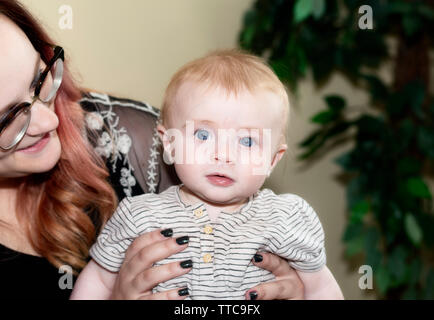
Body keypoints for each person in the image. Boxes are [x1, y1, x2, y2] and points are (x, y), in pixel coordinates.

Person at [0, 0, 305, 300]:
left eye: (40, 79)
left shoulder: (127, 137)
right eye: (6, 117)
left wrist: (298, 288)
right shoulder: (136, 217)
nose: (49, 119)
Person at [71, 50, 344, 300]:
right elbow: (98, 281)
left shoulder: (284, 218)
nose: (224, 155)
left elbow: (320, 287)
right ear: (170, 143)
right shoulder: (138, 215)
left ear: (273, 159)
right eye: (203, 134)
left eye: (247, 141)